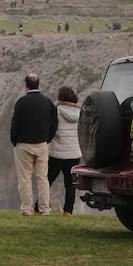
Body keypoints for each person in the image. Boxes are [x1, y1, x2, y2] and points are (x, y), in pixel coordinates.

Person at [10, 73, 58, 216]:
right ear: (38, 83)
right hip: (41, 144)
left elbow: (15, 124)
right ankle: (44, 209)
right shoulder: (47, 102)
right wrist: (47, 138)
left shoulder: (21, 102)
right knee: (43, 178)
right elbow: (54, 123)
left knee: (25, 178)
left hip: (23, 145)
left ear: (26, 85)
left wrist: (14, 140)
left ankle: (27, 209)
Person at [47, 86, 82, 216]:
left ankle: (39, 208)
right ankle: (68, 211)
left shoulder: (56, 110)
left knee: (47, 180)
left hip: (58, 152)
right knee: (70, 184)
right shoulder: (80, 113)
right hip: (74, 153)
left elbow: (52, 129)